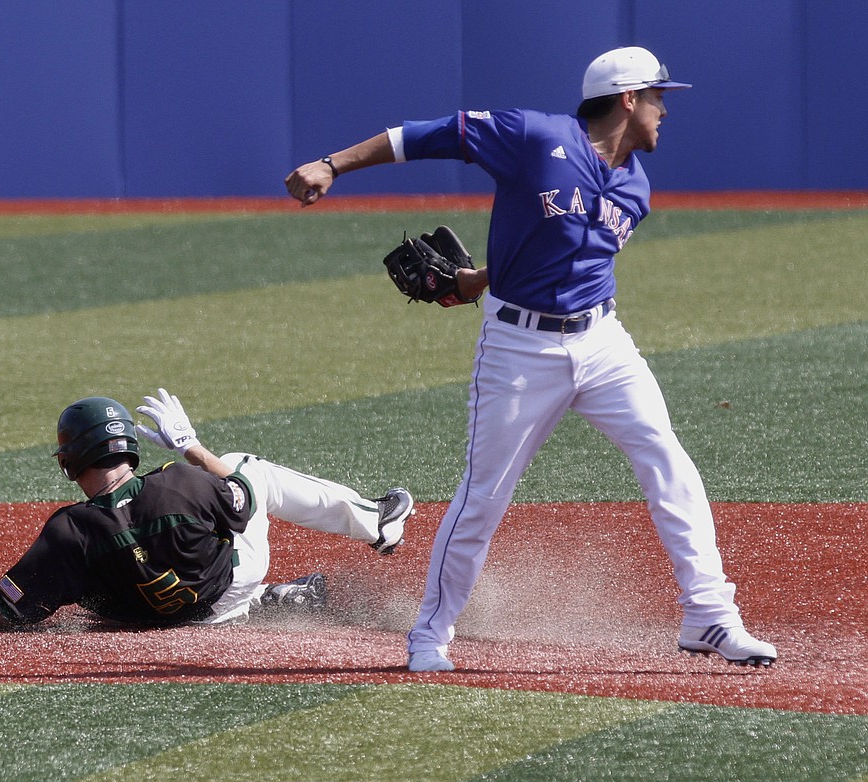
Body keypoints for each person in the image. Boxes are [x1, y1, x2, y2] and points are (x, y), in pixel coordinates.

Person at [284, 46, 777, 671]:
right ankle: (430, 636)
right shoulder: (534, 135)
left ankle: (709, 615)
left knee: (667, 458)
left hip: (602, 341)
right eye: (657, 97)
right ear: (627, 98)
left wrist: (475, 278)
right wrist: (332, 164)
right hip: (520, 348)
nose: (663, 110)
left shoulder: (635, 185)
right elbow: (426, 137)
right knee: (484, 496)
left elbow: (564, 252)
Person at [0, 388, 415, 632]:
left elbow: (3, 612)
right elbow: (239, 494)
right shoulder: (182, 483)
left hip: (148, 622)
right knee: (240, 466)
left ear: (71, 461)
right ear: (128, 448)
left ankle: (266, 600)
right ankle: (377, 524)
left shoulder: (67, 530)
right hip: (219, 594)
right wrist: (191, 448)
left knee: (101, 591)